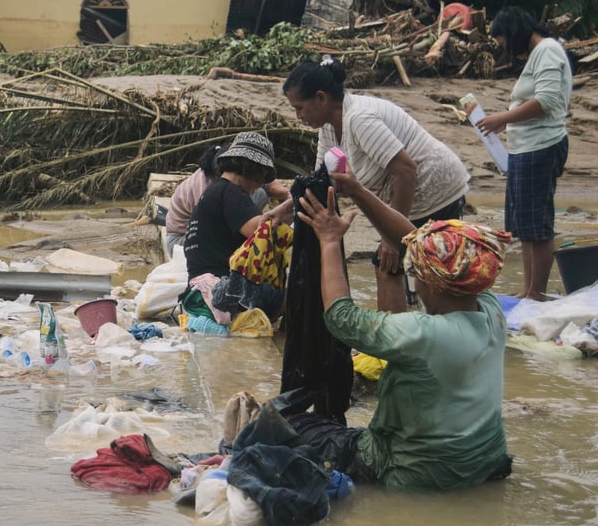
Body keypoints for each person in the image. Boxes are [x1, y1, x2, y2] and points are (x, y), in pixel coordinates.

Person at [286, 168, 512, 490]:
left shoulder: (421, 333)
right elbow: (413, 243)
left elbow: (341, 317)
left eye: (417, 272)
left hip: (412, 472)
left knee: (295, 425)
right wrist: (358, 190)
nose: (414, 277)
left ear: (430, 284)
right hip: (485, 463)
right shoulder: (491, 312)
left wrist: (330, 241)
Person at [271, 56, 470, 312]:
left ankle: (402, 341)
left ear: (321, 98)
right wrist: (284, 209)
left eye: (299, 107)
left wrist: (392, 239)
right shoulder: (329, 127)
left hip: (435, 188)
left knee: (421, 271)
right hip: (409, 195)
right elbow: (319, 183)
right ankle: (396, 341)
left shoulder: (359, 119)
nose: (298, 116)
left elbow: (406, 170)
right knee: (390, 266)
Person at [476, 6, 572, 301]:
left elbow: (545, 101)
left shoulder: (547, 51)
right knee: (525, 225)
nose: (503, 45)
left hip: (541, 147)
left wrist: (503, 118)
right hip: (525, 148)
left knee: (538, 225)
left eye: (503, 38)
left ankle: (537, 292)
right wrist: (508, 121)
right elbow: (535, 103)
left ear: (515, 31)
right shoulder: (538, 54)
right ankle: (529, 289)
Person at [181, 132, 285, 330]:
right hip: (221, 290)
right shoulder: (231, 193)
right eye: (261, 177)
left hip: (198, 288)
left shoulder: (215, 190)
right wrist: (289, 208)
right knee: (299, 293)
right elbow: (261, 232)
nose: (259, 185)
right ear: (253, 169)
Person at [163, 144, 288, 260]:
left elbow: (268, 184)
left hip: (203, 232)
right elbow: (258, 231)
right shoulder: (208, 189)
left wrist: (286, 194)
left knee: (260, 193)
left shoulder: (224, 180)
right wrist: (287, 208)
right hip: (182, 240)